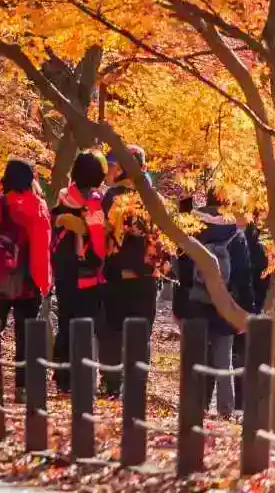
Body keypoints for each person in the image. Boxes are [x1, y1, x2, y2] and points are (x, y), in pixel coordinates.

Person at [0, 158, 50, 396]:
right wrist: (43, 283)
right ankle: (24, 387)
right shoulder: (39, 207)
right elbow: (41, 249)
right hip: (28, 282)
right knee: (26, 336)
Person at [173, 189, 255, 416]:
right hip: (225, 303)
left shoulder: (193, 226)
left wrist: (182, 301)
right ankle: (226, 412)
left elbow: (182, 268)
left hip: (195, 302)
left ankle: (193, 408)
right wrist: (245, 312)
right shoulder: (236, 233)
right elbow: (242, 274)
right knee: (223, 361)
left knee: (194, 359)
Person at [100, 144, 162, 395]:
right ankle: (136, 386)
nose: (110, 170)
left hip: (120, 276)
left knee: (114, 332)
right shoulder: (153, 198)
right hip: (145, 277)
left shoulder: (112, 198)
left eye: (114, 165)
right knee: (139, 333)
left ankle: (112, 384)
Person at [51, 151, 108, 390]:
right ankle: (82, 378)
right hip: (87, 271)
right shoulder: (95, 200)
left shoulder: (65, 196)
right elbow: (98, 241)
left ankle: (62, 376)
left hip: (64, 267)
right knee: (85, 323)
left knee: (66, 319)